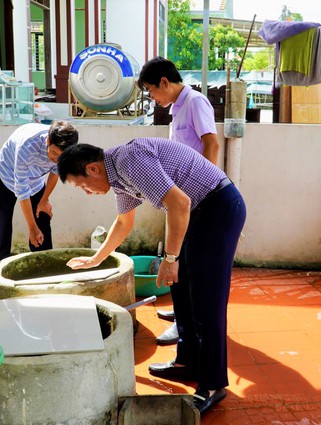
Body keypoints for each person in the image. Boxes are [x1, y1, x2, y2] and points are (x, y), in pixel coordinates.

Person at [57, 138, 246, 415]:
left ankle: (213, 384)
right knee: (181, 288)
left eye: (82, 185)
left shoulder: (128, 160)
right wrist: (96, 259)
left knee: (207, 300)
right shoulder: (117, 174)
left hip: (218, 209)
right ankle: (189, 362)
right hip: (198, 211)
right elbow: (124, 222)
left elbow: (179, 203)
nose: (86, 192)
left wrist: (170, 259)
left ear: (93, 169)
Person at [138, 56, 220, 344]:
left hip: (195, 196)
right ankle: (181, 312)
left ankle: (185, 325)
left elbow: (211, 143)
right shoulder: (176, 107)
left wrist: (201, 191)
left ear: (164, 82)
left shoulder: (195, 102)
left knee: (183, 260)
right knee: (179, 257)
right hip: (181, 195)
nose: (151, 96)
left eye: (151, 90)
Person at [0, 121, 79, 262]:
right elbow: (22, 190)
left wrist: (44, 200)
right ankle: (0, 264)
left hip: (36, 180)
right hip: (6, 174)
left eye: (62, 157)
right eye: (54, 153)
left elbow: (55, 172)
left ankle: (44, 263)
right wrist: (32, 227)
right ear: (48, 140)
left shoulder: (66, 151)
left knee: (43, 217)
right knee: (3, 221)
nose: (56, 159)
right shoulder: (26, 147)